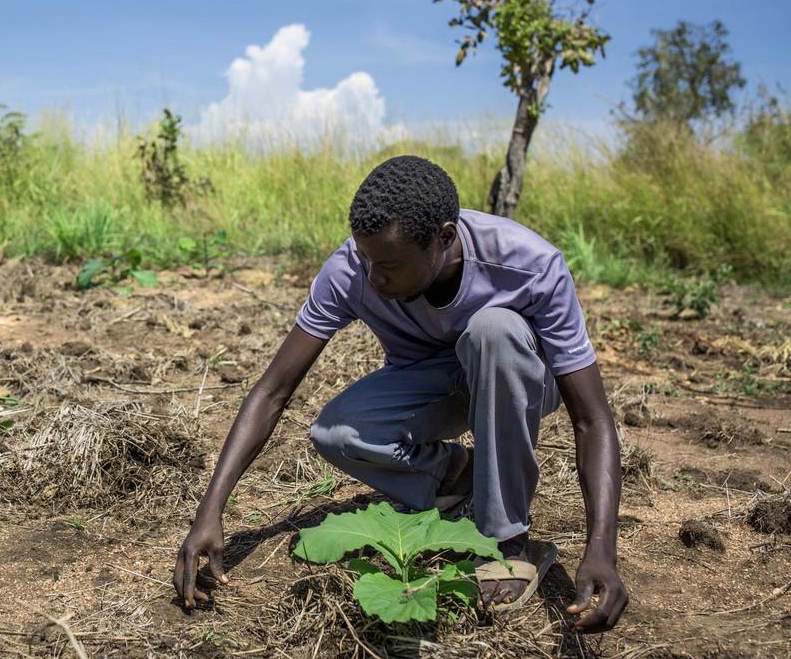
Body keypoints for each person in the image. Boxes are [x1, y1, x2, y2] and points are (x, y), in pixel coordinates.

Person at [173, 154, 628, 632]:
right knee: (337, 433)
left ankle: (508, 540)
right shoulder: (353, 269)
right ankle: (463, 473)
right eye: (366, 259)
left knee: (493, 330)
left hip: (519, 373)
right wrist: (212, 509)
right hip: (436, 382)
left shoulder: (527, 264)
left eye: (388, 264)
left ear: (444, 238)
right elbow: (272, 391)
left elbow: (592, 418)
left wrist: (602, 546)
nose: (373, 277)